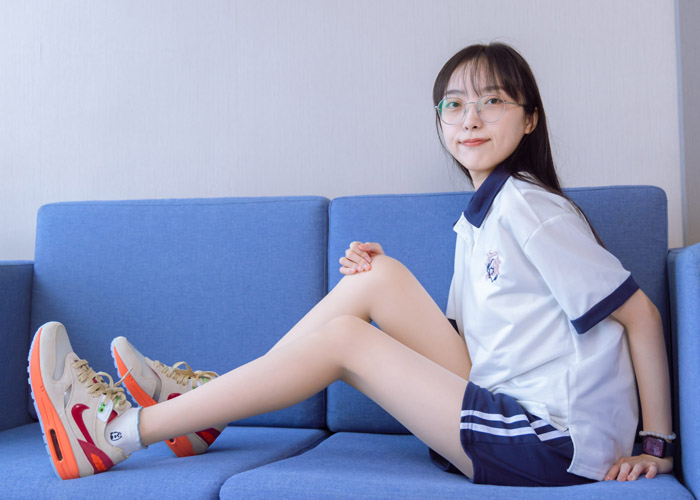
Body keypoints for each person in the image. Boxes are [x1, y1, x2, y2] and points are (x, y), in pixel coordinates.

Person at [28, 42, 674, 486]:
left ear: (530, 118)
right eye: (454, 104)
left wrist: (656, 446)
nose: (470, 118)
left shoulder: (533, 209)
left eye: (494, 101)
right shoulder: (485, 215)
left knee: (345, 340)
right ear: (440, 121)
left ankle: (117, 434)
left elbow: (640, 316)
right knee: (379, 276)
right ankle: (203, 410)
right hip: (503, 405)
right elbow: (470, 347)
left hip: (550, 442)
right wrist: (387, 283)